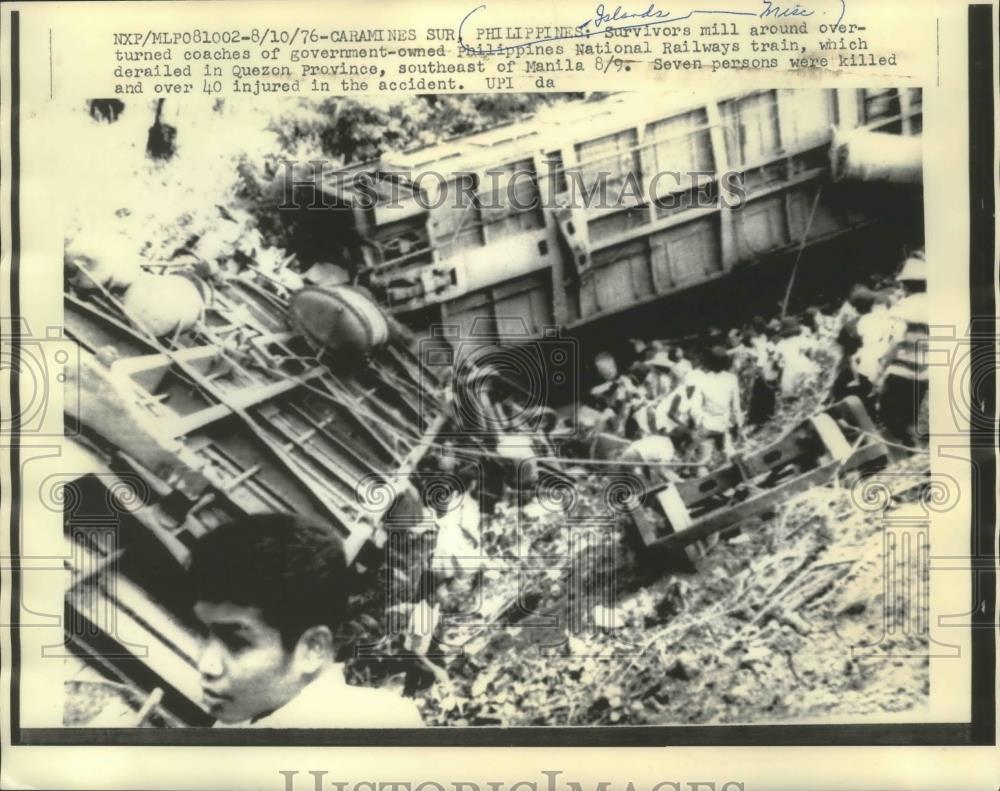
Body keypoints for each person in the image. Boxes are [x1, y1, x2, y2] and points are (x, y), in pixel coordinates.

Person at [188, 513, 424, 727]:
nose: (206, 665)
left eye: (237, 643)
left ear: (313, 648)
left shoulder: (381, 728)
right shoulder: (247, 716)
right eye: (203, 633)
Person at [691, 346, 744, 472]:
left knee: (704, 460)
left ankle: (705, 484)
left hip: (707, 424)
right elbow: (736, 407)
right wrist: (739, 426)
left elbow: (695, 408)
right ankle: (743, 482)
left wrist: (699, 422)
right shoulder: (732, 379)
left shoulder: (701, 380)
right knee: (729, 452)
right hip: (723, 423)